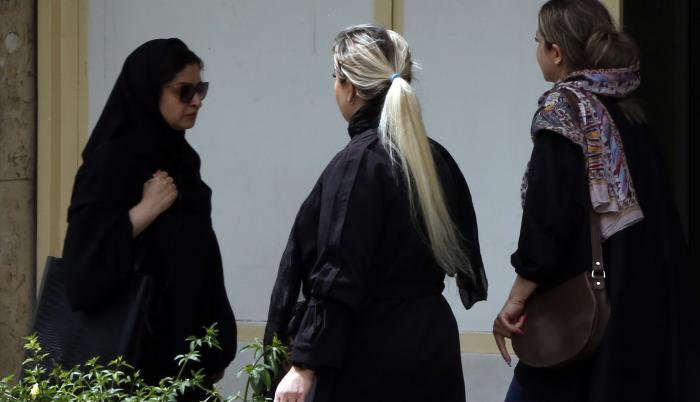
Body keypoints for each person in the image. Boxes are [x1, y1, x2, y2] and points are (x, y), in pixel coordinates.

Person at [264, 24, 488, 402]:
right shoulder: (434, 159)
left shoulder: (359, 165)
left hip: (372, 351)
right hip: (433, 346)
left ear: (350, 89)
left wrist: (303, 366)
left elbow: (338, 272)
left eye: (335, 78)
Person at [492, 1, 698, 401]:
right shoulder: (628, 109)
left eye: (538, 41)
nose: (536, 50)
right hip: (646, 307)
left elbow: (547, 222)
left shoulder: (562, 112)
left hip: (586, 318)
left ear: (556, 52)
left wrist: (515, 300)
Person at [61, 38, 237, 396]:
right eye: (183, 91)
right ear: (148, 91)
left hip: (184, 359)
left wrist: (214, 343)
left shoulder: (183, 160)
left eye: (200, 89)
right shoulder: (110, 163)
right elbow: (82, 270)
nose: (196, 101)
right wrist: (144, 211)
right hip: (130, 363)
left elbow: (200, 256)